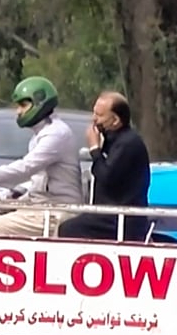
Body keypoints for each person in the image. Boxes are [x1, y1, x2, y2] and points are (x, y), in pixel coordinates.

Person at [0, 76, 83, 236]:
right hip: (43, 206)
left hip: (58, 210)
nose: (18, 111)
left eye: (23, 105)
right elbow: (38, 184)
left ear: (40, 102)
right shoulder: (41, 135)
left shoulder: (56, 134)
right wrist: (12, 200)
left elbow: (25, 168)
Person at [58, 91, 151, 242]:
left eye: (100, 115)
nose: (94, 120)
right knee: (69, 221)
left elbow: (106, 177)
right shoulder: (112, 141)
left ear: (115, 120)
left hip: (121, 219)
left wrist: (95, 149)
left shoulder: (128, 143)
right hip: (106, 213)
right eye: (94, 113)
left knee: (69, 228)